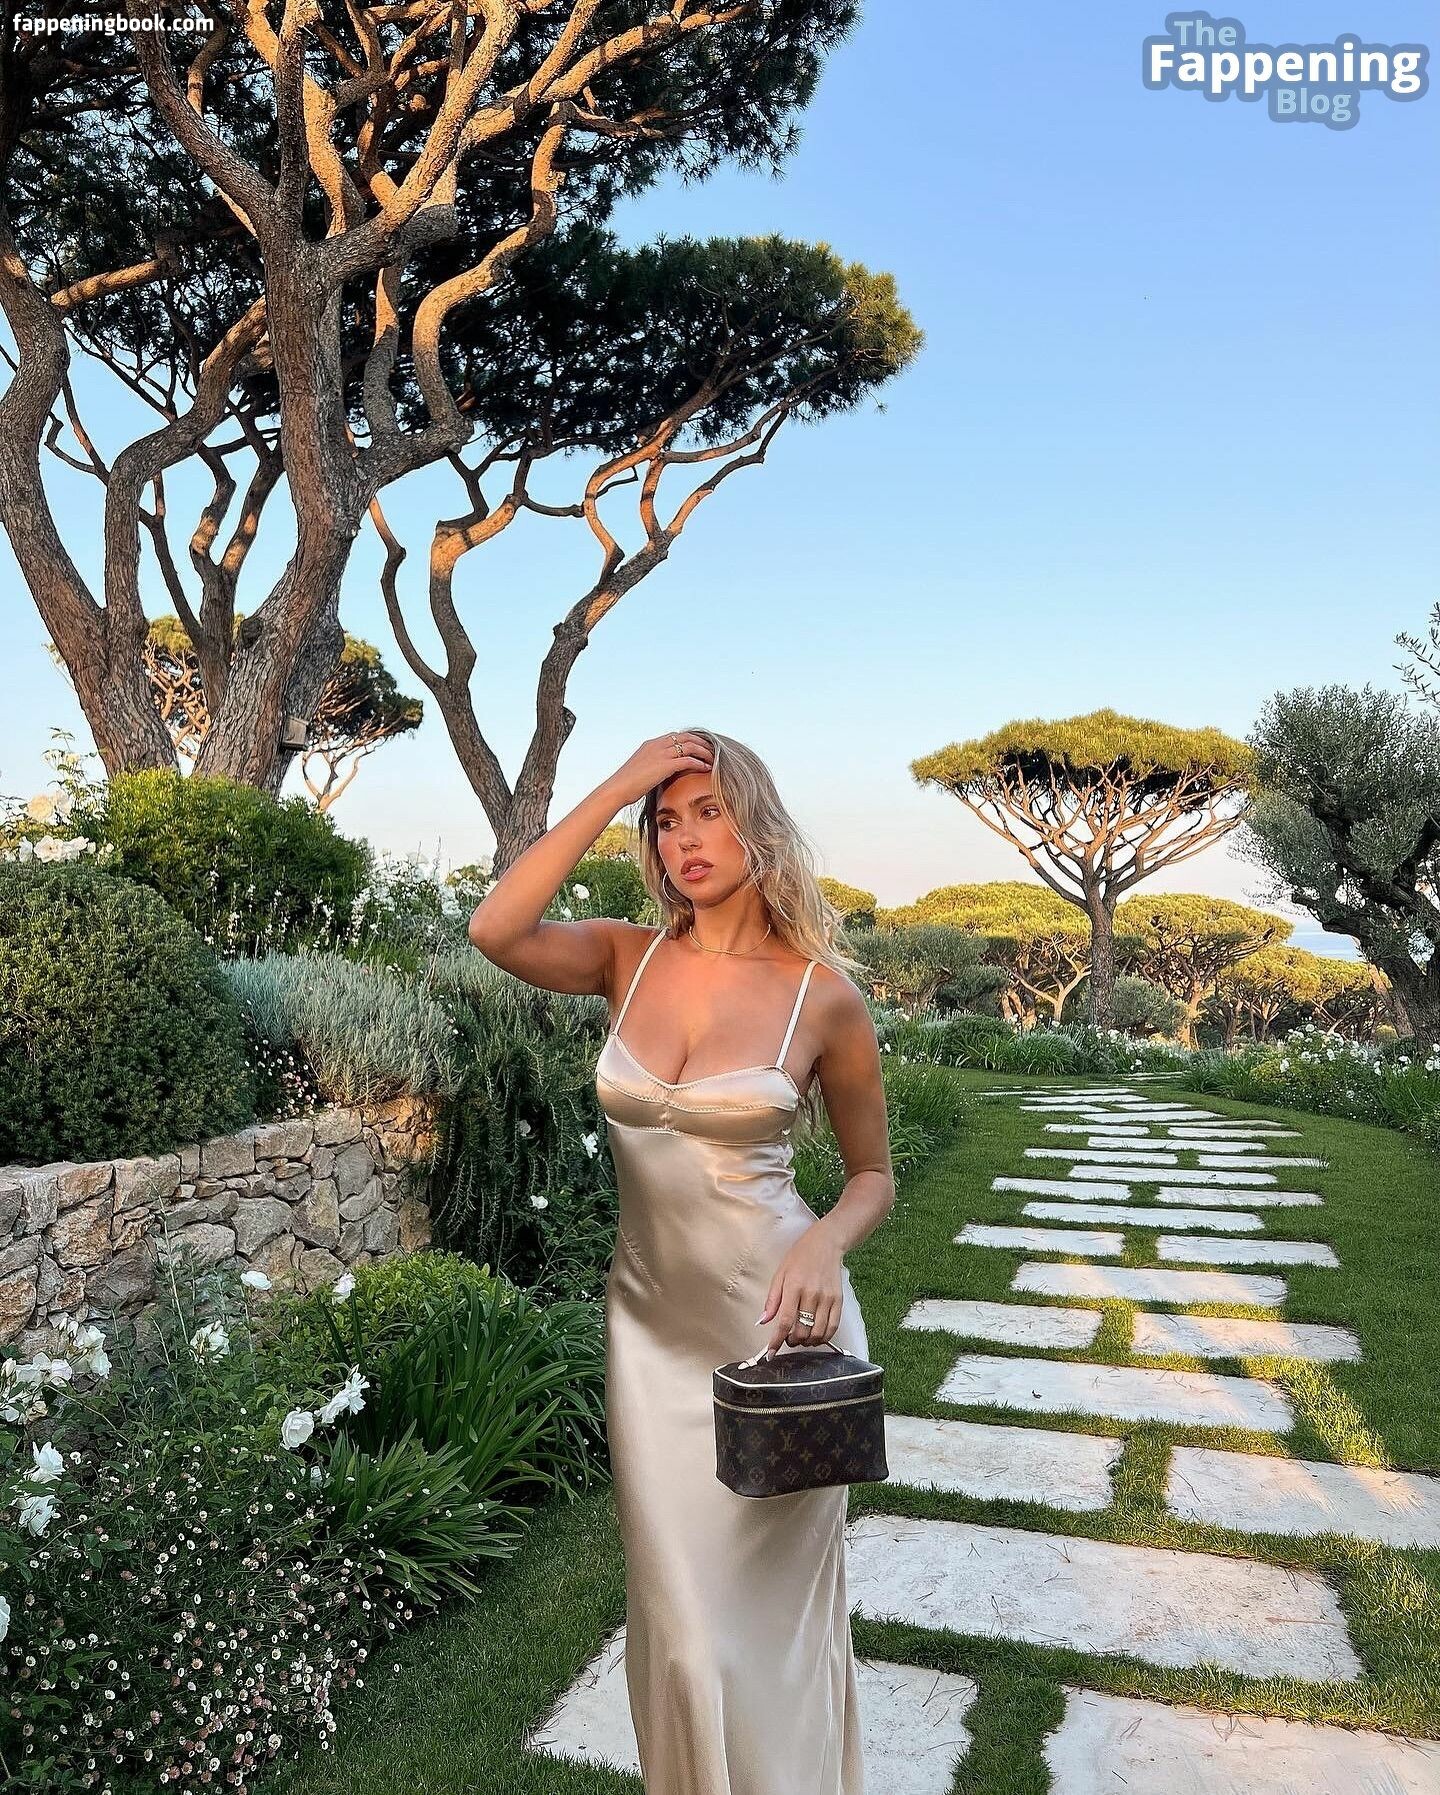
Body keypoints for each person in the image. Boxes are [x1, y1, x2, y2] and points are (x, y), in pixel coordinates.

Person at [468, 726, 896, 1795]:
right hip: (650, 1337)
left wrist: (824, 1239)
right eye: (666, 821)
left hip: (778, 1336)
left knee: (760, 1639)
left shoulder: (820, 996)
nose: (687, 838)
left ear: (759, 826)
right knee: (682, 1635)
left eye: (710, 812)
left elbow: (872, 1178)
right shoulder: (627, 956)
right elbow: (494, 926)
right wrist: (620, 782)